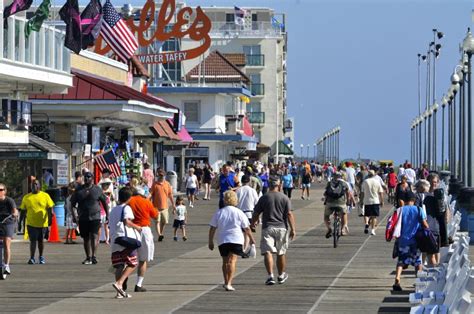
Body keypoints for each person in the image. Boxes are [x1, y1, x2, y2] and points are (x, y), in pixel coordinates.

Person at [251, 176, 296, 285]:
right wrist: (293, 229)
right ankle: (281, 275)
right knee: (281, 252)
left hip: (268, 227)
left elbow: (256, 213)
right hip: (282, 228)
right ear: (279, 185)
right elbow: (289, 214)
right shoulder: (285, 198)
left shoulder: (264, 197)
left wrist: (253, 223)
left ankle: (270, 276)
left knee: (268, 252)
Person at [209, 190, 256, 291]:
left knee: (225, 261)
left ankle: (226, 281)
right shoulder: (239, 212)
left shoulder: (219, 212)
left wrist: (210, 241)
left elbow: (212, 228)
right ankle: (229, 283)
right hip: (236, 239)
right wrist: (252, 239)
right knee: (232, 261)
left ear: (225, 200)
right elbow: (247, 228)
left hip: (223, 239)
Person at [392, 191, 429, 291]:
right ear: (414, 200)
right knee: (417, 262)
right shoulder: (418, 209)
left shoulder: (400, 210)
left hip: (402, 240)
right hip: (415, 241)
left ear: (404, 200)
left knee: (401, 261)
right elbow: (425, 224)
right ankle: (418, 282)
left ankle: (397, 278)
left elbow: (394, 224)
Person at [109, 187, 142, 299]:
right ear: (129, 198)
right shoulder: (127, 208)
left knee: (119, 265)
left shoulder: (113, 209)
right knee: (133, 263)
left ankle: (120, 292)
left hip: (114, 239)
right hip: (124, 240)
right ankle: (120, 283)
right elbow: (127, 221)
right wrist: (137, 227)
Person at [70, 172, 109, 265]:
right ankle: (88, 257)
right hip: (83, 217)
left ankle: (94, 256)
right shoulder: (79, 190)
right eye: (85, 177)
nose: (87, 179)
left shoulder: (97, 189)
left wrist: (108, 214)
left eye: (89, 177)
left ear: (92, 178)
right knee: (86, 238)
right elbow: (72, 204)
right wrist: (74, 216)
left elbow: (104, 202)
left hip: (95, 216)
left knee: (94, 236)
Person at [128, 188, 158, 292]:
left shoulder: (129, 201)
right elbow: (155, 215)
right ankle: (138, 284)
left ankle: (123, 279)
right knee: (143, 259)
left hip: (130, 229)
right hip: (144, 230)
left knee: (127, 256)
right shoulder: (146, 202)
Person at [20, 180, 54, 264]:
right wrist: (19, 222)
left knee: (41, 240)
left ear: (39, 186)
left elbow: (50, 208)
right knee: (33, 241)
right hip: (31, 223)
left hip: (43, 223)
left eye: (35, 184)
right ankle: (32, 258)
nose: (34, 186)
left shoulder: (45, 196)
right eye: (32, 184)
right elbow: (23, 211)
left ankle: (41, 257)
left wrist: (50, 220)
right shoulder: (26, 197)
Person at [323, 172, 352, 237]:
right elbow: (348, 194)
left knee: (326, 216)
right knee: (344, 213)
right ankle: (343, 229)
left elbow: (325, 193)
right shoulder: (344, 183)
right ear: (340, 176)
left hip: (330, 203)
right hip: (341, 203)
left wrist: (325, 201)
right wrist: (348, 202)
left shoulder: (329, 183)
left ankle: (329, 228)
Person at [150, 170, 175, 242]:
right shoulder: (155, 184)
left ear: (164, 176)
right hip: (156, 207)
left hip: (165, 207)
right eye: (160, 175)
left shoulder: (167, 184)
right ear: (158, 176)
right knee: (157, 221)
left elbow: (170, 195)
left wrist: (173, 205)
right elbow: (151, 194)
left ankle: (161, 233)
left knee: (164, 222)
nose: (161, 177)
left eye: (162, 176)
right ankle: (159, 234)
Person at [236, 175, 259, 250]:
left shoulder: (238, 190)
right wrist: (258, 217)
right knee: (247, 232)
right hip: (249, 214)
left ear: (241, 181)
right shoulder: (252, 190)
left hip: (239, 214)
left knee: (241, 233)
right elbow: (257, 203)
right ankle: (245, 249)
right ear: (249, 181)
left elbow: (235, 203)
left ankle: (242, 247)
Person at [0, 183, 18, 274]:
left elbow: (15, 210)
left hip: (8, 222)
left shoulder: (9, 200)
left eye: (1, 190)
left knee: (6, 244)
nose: (0, 192)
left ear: (5, 191)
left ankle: (6, 265)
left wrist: (14, 213)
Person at [360, 170, 384, 236]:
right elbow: (381, 192)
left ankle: (367, 223)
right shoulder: (377, 182)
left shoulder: (365, 182)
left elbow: (362, 192)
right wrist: (382, 201)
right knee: (374, 216)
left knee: (366, 214)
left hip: (367, 200)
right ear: (374, 175)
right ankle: (373, 230)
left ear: (368, 175)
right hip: (375, 201)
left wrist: (361, 201)